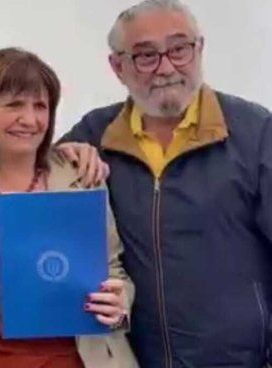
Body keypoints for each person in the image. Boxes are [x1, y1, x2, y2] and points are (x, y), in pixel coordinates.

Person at [59, 0, 272, 366]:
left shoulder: (256, 133)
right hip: (134, 358)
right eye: (146, 55)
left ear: (199, 49)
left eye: (179, 49)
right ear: (117, 66)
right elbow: (31, 193)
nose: (166, 67)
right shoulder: (95, 135)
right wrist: (63, 157)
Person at [0, 47, 138, 368]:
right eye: (14, 105)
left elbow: (113, 269)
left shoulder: (83, 176)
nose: (30, 119)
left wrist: (120, 301)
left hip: (81, 360)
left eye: (40, 106)